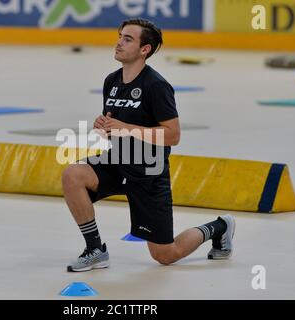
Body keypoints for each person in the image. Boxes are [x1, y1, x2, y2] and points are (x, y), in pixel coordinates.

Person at [62, 18, 235, 272]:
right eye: (120, 36)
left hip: (149, 173)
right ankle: (96, 249)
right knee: (72, 174)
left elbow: (173, 135)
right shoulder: (112, 81)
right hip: (118, 162)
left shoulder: (156, 86)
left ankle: (220, 227)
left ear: (145, 49)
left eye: (128, 39)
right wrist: (104, 126)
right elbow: (116, 125)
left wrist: (125, 128)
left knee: (165, 254)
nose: (119, 42)